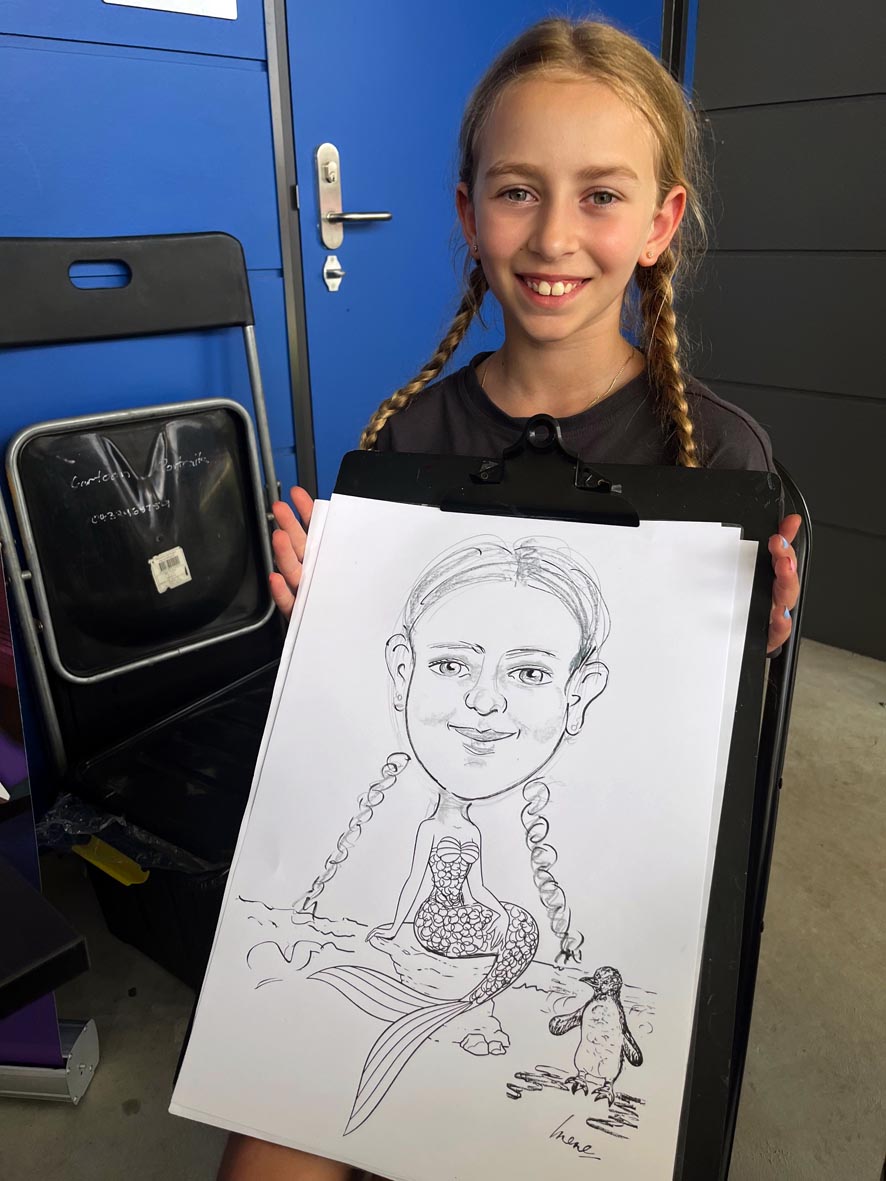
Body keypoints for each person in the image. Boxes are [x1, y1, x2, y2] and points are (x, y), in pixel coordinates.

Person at [219, 16, 800, 1180]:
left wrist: (757, 655)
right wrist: (321, 630)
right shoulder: (407, 440)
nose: (552, 236)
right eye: (518, 191)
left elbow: (688, 771)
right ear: (467, 209)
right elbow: (364, 726)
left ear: (660, 224)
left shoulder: (722, 459)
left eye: (600, 196)